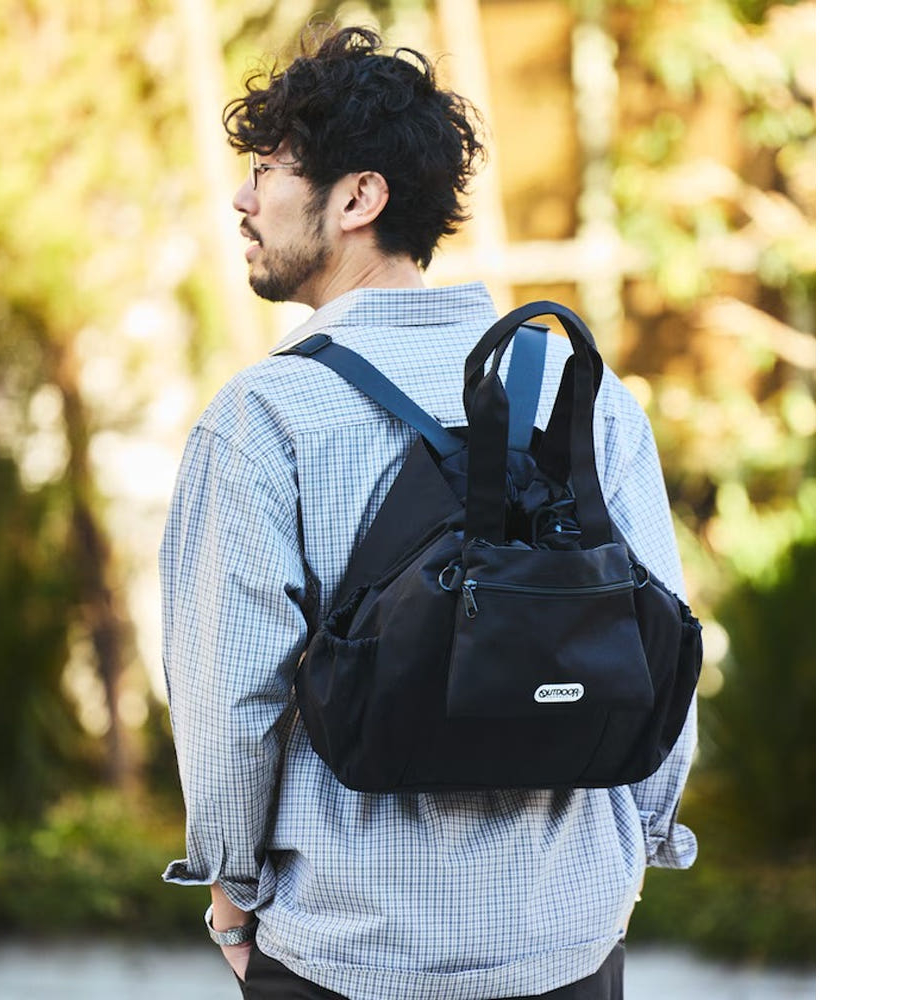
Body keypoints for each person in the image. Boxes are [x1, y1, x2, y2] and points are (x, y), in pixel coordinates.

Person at [160, 25, 697, 1000]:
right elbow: (659, 642)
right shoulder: (581, 393)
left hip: (348, 950)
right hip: (568, 944)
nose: (242, 198)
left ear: (357, 198)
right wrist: (637, 851)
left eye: (267, 171)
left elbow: (230, 703)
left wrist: (232, 900)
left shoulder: (263, 418)